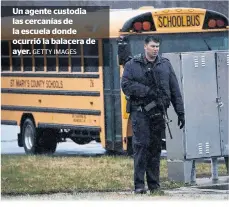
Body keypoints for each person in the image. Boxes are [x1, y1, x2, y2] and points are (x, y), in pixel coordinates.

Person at [120, 36, 185, 194]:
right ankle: (139, 186)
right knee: (141, 147)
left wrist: (180, 112)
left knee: (155, 149)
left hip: (158, 113)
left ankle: (154, 186)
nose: (155, 49)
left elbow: (175, 90)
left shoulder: (165, 65)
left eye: (157, 46)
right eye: (152, 46)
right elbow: (126, 85)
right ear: (145, 47)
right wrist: (147, 92)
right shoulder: (133, 65)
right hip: (141, 112)